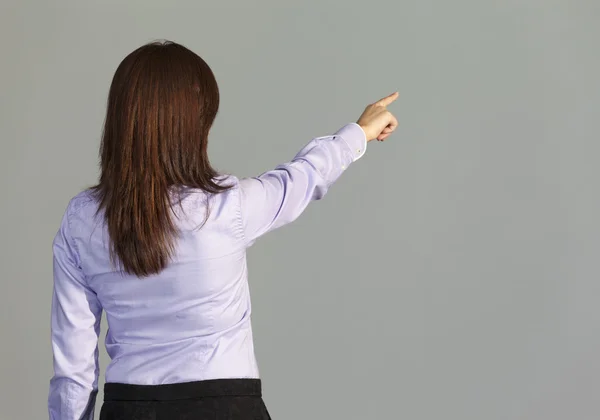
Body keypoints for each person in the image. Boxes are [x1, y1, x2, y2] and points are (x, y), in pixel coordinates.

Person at [47, 40, 399, 420]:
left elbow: (73, 372)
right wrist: (359, 132)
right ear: (194, 124)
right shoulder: (227, 206)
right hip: (226, 408)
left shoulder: (82, 220)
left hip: (129, 409)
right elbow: (303, 176)